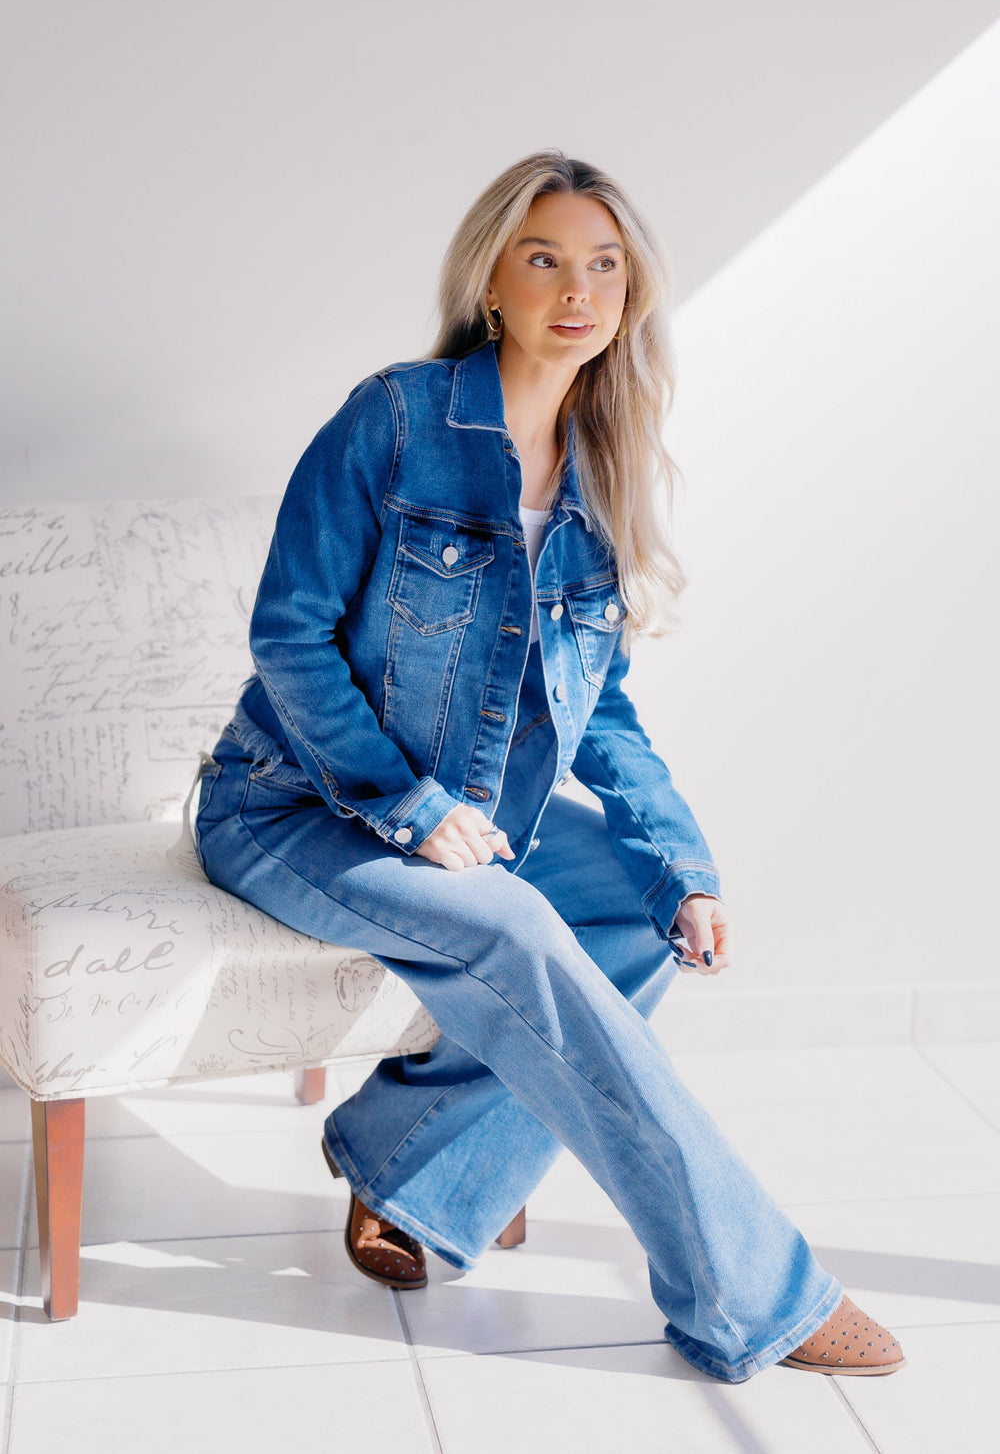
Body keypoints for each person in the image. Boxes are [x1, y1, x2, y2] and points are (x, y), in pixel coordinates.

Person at [194, 150, 905, 1383]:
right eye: (544, 260)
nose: (576, 291)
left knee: (640, 911)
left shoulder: (599, 464)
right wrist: (408, 806)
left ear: (630, 291)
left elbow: (603, 704)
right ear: (491, 283)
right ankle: (752, 1292)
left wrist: (679, 863)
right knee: (518, 924)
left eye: (603, 265)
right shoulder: (396, 420)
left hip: (463, 813)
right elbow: (289, 635)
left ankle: (408, 1169)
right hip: (289, 805)